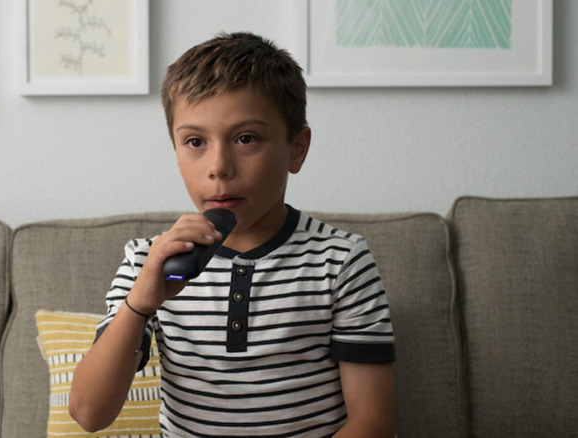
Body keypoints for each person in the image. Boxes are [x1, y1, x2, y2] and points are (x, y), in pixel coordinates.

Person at [69, 32, 396, 437]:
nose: (219, 166)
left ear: (297, 148)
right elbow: (88, 413)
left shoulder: (341, 260)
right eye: (195, 142)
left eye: (246, 139)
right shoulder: (146, 260)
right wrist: (140, 304)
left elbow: (373, 423)